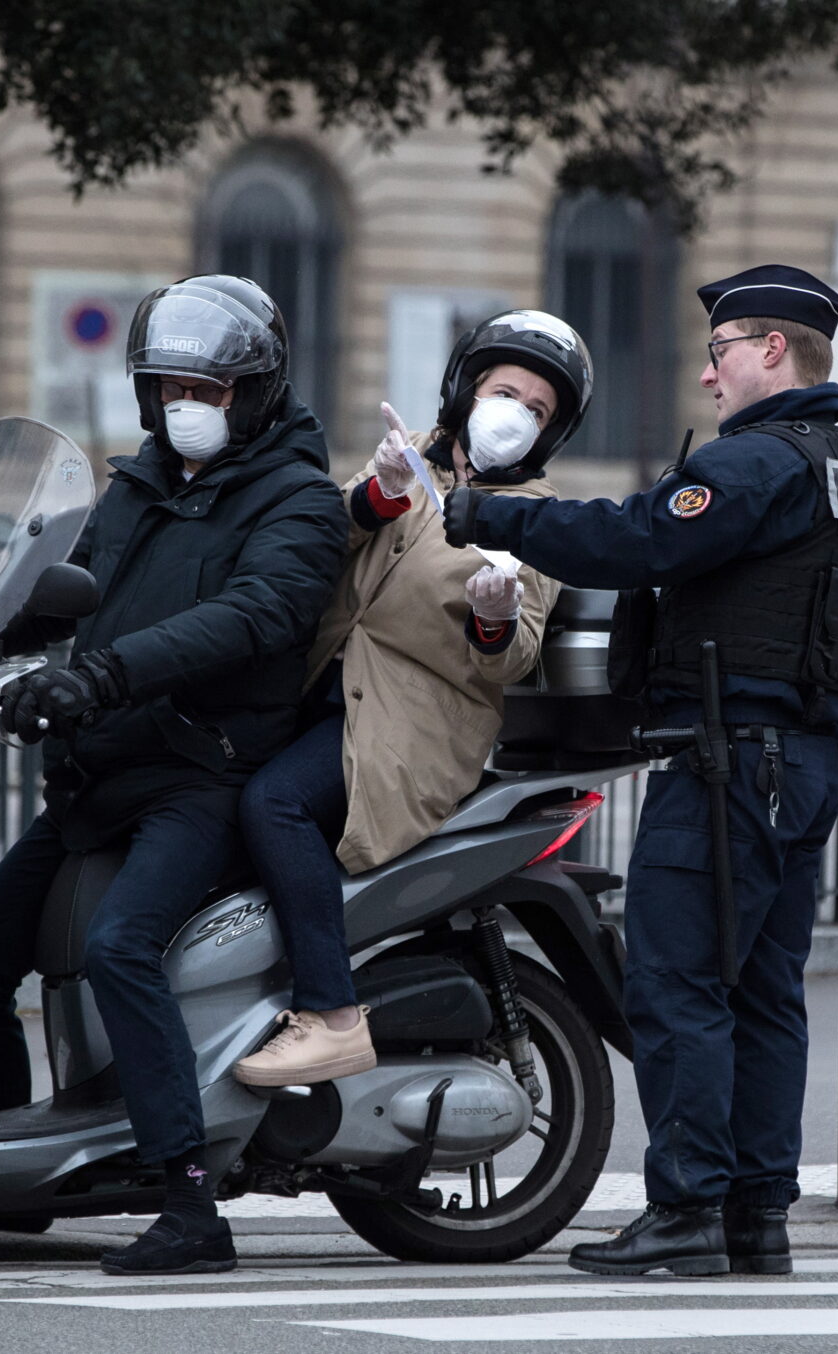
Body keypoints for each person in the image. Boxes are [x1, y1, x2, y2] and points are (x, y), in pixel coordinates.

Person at [441, 265, 838, 1277]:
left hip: (731, 762)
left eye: (721, 351)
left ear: (770, 349)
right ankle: (752, 1218)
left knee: (678, 983)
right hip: (804, 761)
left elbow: (640, 534)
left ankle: (685, 1211)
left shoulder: (757, 463)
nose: (707, 375)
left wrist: (486, 515)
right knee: (764, 993)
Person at [0, 275, 348, 1276]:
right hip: (100, 770)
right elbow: (65, 584)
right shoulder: (135, 485)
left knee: (122, 945)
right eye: (167, 386)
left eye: (206, 391)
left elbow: (256, 616)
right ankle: (14, 1170)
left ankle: (188, 1202)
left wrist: (103, 676)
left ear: (252, 396)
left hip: (197, 771)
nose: (185, 407)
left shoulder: (298, 500)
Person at [228, 311, 594, 1086]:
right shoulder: (411, 459)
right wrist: (376, 498)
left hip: (407, 730)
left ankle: (330, 1014)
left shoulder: (541, 516)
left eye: (536, 410)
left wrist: (494, 621)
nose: (515, 415)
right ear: (465, 389)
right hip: (317, 692)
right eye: (505, 393)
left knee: (274, 805)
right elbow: (313, 548)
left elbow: (516, 650)